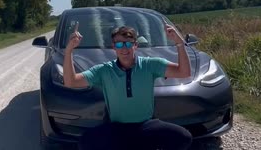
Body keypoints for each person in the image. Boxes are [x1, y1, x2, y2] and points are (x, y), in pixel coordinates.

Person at [63, 19, 193, 150]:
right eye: (119, 45)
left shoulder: (150, 65)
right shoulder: (104, 70)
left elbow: (184, 72)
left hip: (146, 125)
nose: (124, 49)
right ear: (114, 47)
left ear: (135, 45)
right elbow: (71, 81)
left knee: (183, 137)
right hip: (117, 128)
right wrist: (69, 51)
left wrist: (179, 43)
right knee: (86, 141)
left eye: (128, 44)